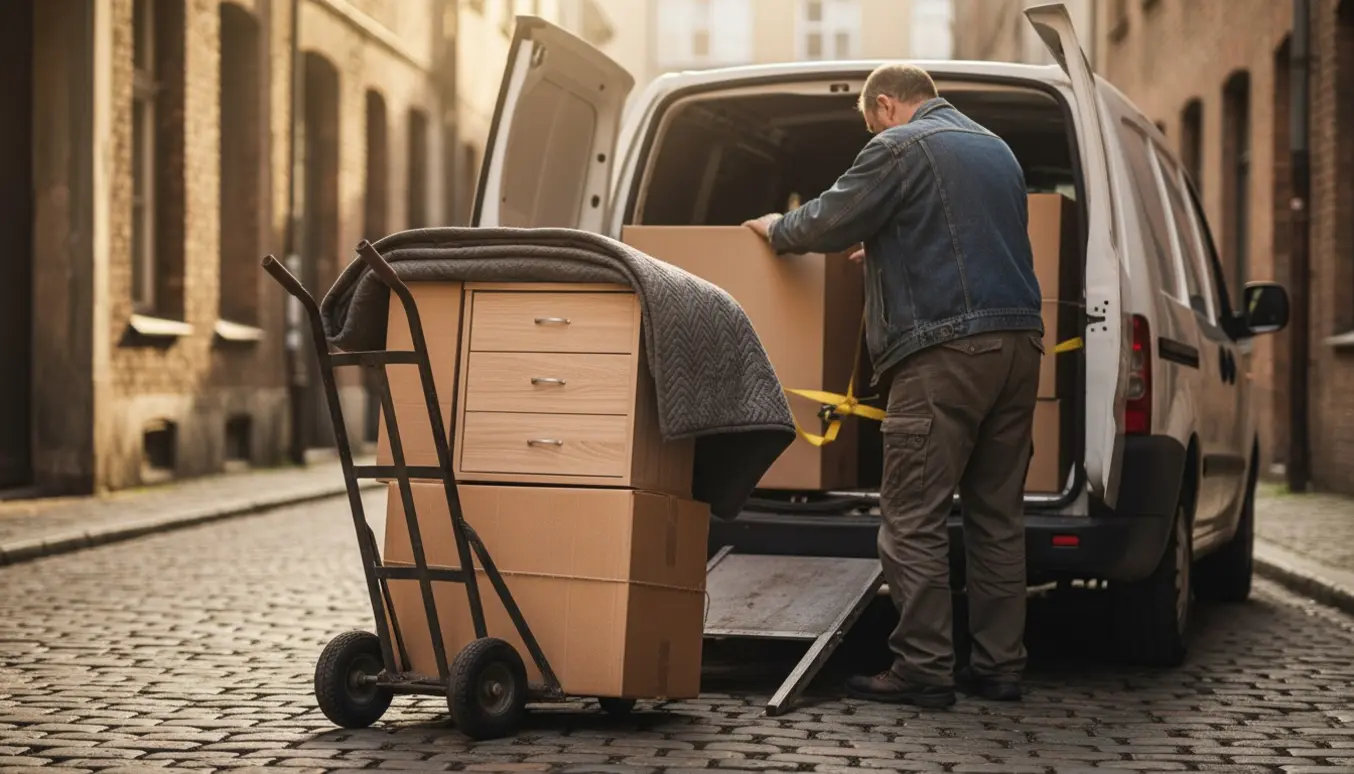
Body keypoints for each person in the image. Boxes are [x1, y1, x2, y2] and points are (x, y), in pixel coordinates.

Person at [743, 63, 1043, 708]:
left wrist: (777, 226)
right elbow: (965, 239)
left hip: (944, 354)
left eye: (868, 120)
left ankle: (923, 669)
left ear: (885, 105)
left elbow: (824, 221)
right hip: (1019, 352)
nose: (870, 131)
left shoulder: (899, 146)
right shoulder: (997, 150)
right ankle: (999, 667)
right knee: (996, 518)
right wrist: (884, 249)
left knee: (912, 517)